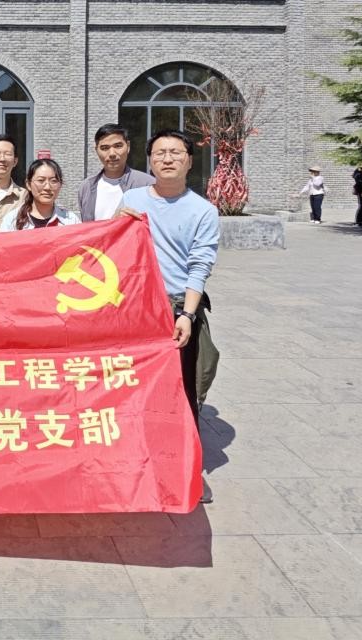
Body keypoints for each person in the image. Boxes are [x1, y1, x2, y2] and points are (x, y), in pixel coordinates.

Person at [118, 129, 220, 503]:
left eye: (176, 152)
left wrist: (188, 315)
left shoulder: (203, 210)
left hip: (177, 307)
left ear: (190, 161)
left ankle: (186, 469)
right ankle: (134, 459)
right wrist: (117, 221)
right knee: (135, 389)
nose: (167, 158)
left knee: (183, 392)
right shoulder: (132, 200)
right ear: (149, 160)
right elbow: (114, 247)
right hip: (137, 308)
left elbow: (199, 265)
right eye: (160, 152)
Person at [77, 123, 156, 222]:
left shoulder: (147, 184)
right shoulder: (86, 187)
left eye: (118, 146)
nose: (112, 154)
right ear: (96, 150)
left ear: (128, 146)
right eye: (105, 148)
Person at [0, 158, 80, 230]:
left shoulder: (71, 221)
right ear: (28, 184)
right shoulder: (12, 220)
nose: (47, 187)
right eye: (41, 180)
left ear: (60, 185)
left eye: (53, 181)